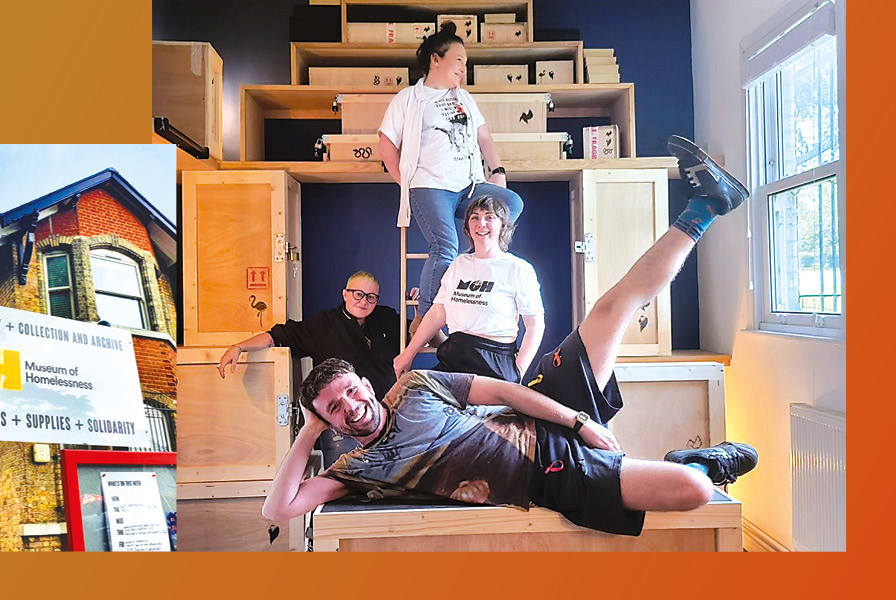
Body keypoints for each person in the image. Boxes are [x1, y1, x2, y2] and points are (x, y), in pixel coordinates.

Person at [261, 136, 758, 537]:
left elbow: (511, 377)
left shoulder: (417, 385)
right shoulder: (359, 466)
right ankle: (698, 464)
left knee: (610, 309)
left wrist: (578, 419)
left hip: (529, 396)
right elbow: (277, 509)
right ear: (328, 421)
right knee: (692, 488)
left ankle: (705, 206)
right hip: (542, 472)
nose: (350, 407)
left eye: (350, 392)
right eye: (333, 409)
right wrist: (309, 429)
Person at [377, 21, 525, 335]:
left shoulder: (465, 98)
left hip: (468, 186)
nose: (463, 68)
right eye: (458, 60)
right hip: (430, 186)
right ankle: (425, 320)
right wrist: (406, 184)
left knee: (511, 204)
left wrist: (497, 173)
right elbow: (386, 144)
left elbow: (484, 139)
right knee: (445, 245)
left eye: (466, 63)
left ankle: (472, 268)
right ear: (436, 59)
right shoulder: (409, 98)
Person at [218, 271, 403, 463]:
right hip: (340, 427)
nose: (364, 301)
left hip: (384, 417)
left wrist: (417, 308)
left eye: (371, 297)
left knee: (390, 477)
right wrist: (239, 347)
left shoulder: (386, 319)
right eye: (358, 294)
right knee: (344, 478)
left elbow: (416, 335)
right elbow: (278, 336)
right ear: (345, 294)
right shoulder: (323, 326)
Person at [392, 195, 544, 383]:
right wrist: (408, 354)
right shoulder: (459, 264)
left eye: (489, 217)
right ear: (468, 227)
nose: (481, 224)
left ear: (503, 226)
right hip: (454, 358)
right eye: (475, 217)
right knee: (411, 396)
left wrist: (518, 371)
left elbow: (535, 325)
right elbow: (437, 313)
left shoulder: (518, 268)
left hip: (495, 363)